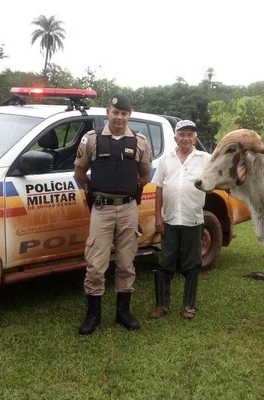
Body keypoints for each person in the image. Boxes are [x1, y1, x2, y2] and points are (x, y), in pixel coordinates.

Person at [74, 94, 152, 335]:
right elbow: (79, 173)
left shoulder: (140, 142)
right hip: (102, 209)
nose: (119, 117)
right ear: (108, 112)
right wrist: (96, 191)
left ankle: (123, 312)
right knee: (96, 264)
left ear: (130, 115)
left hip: (128, 209)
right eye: (115, 112)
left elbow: (144, 176)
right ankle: (93, 314)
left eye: (124, 113)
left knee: (126, 262)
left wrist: (126, 189)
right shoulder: (91, 139)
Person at [150, 119, 211, 319]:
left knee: (192, 264)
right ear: (175, 137)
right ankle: (161, 305)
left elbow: (220, 174)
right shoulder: (166, 159)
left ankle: (189, 306)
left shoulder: (205, 159)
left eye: (190, 134)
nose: (186, 138)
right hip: (170, 219)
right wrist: (158, 216)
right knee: (164, 262)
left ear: (195, 138)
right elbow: (159, 187)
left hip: (193, 219)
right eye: (182, 134)